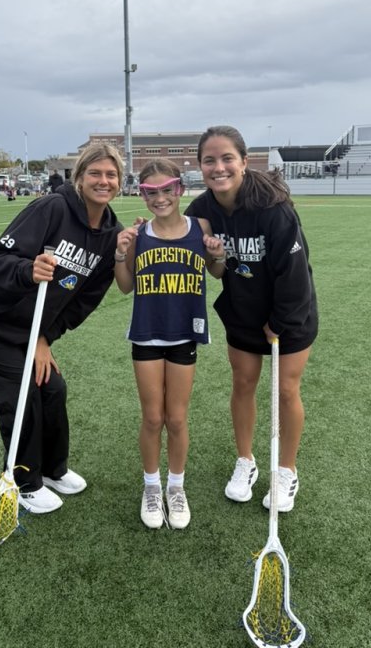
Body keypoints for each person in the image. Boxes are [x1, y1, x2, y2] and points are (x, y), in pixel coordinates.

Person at [0, 143, 124, 515]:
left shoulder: (110, 235)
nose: (103, 181)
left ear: (120, 180)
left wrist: (43, 338)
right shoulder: (52, 208)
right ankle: (24, 482)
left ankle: (53, 470)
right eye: (95, 173)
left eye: (111, 174)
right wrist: (27, 270)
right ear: (80, 177)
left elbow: (84, 300)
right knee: (17, 390)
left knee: (52, 386)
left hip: (25, 326)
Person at [185, 126, 318, 513]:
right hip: (242, 312)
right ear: (200, 167)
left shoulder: (273, 209)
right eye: (209, 160)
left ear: (243, 162)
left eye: (227, 158)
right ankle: (246, 461)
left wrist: (279, 323)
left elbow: (295, 275)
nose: (219, 167)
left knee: (286, 390)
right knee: (243, 383)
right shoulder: (203, 210)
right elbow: (205, 261)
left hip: (288, 313)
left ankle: (286, 470)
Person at [114, 159, 225, 529]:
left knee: (176, 418)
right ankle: (151, 486)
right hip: (146, 333)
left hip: (184, 334)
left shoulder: (201, 227)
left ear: (179, 189)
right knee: (152, 417)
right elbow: (126, 285)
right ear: (142, 195)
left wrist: (218, 253)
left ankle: (175, 487)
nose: (160, 198)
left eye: (166, 190)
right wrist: (119, 253)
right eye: (150, 192)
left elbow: (216, 271)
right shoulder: (138, 234)